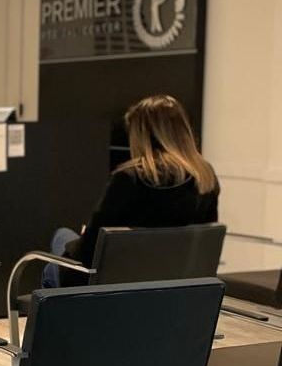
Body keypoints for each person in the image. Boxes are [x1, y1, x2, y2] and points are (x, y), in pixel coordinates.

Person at [44, 94, 220, 285]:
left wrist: (86, 237)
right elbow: (204, 242)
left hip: (114, 284)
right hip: (175, 283)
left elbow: (90, 251)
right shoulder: (205, 177)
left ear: (141, 136)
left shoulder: (130, 178)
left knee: (60, 241)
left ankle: (61, 312)